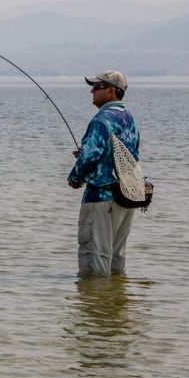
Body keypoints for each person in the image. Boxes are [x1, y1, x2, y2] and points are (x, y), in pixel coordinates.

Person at [67, 69, 141, 276]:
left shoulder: (101, 119)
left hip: (101, 198)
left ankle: (95, 304)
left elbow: (91, 156)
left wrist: (74, 178)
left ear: (111, 91)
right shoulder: (129, 119)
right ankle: (116, 305)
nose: (92, 91)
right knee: (115, 262)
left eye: (96, 87)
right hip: (125, 199)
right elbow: (130, 155)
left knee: (95, 261)